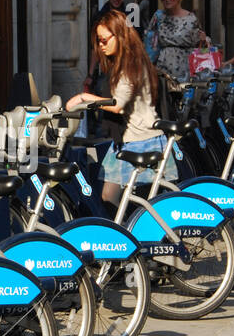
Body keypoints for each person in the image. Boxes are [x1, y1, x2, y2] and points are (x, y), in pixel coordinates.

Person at [66, 10, 176, 205]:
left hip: (141, 139)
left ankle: (135, 231)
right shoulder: (125, 61)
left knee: (126, 198)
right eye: (98, 41)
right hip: (129, 139)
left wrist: (84, 98)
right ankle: (131, 230)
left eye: (104, 39)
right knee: (116, 197)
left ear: (119, 35)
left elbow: (118, 105)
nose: (101, 45)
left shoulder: (131, 64)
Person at [145, 0, 207, 82]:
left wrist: (203, 42)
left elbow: (201, 50)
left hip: (186, 68)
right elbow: (150, 44)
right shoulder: (158, 17)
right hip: (162, 68)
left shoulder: (191, 19)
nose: (167, 0)